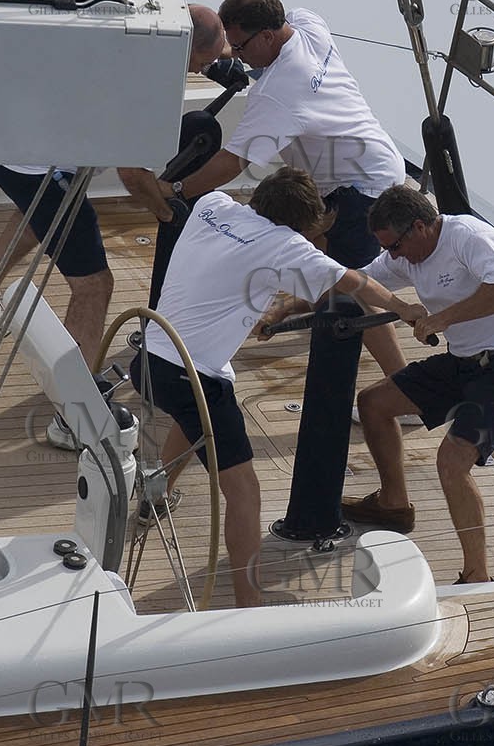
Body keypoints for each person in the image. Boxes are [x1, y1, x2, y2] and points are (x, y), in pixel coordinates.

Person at [129, 167, 424, 607]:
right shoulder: (286, 246)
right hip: (191, 377)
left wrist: (274, 307)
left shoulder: (213, 205)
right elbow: (354, 282)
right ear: (302, 225)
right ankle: (250, 602)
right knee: (244, 490)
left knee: (198, 423)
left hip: (148, 358)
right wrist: (403, 307)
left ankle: (155, 497)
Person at [0, 6, 229, 448]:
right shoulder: (147, 88)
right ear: (185, 49)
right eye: (206, 61)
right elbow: (133, 175)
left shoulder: (127, 33)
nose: (208, 69)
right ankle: (73, 415)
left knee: (36, 214)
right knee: (94, 285)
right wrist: (166, 211)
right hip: (40, 170)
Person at [126, 0, 410, 381]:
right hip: (374, 163)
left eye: (240, 48)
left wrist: (172, 193)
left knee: (354, 296)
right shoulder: (308, 24)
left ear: (267, 36)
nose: (237, 55)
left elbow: (233, 162)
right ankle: (296, 310)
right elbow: (269, 43)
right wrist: (220, 57)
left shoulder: (277, 94)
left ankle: (405, 390)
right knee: (320, 260)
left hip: (361, 190)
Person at [341, 186, 494, 585]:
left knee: (452, 463)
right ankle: (394, 504)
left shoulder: (469, 237)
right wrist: (293, 303)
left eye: (395, 246)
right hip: (462, 362)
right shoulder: (406, 253)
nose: (393, 256)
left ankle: (476, 575)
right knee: (373, 404)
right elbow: (361, 280)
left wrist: (441, 319)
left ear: (419, 227)